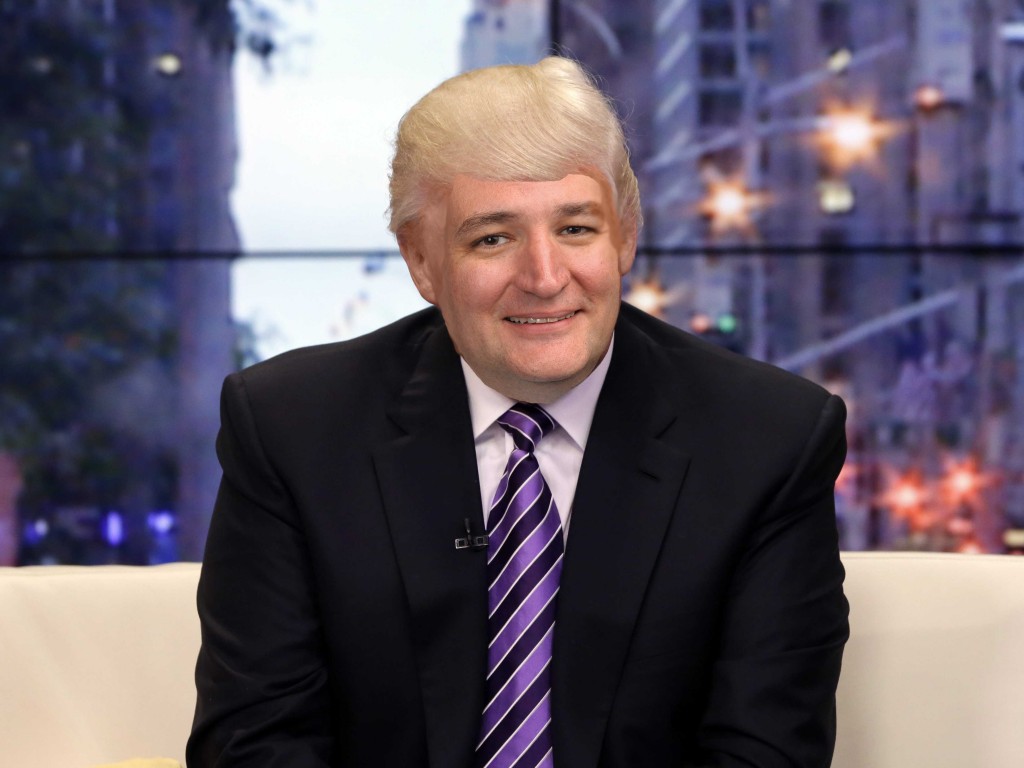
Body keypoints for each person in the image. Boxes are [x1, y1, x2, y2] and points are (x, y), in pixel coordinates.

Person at [187, 57, 849, 768]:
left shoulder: (769, 440)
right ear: (422, 262)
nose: (544, 277)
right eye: (492, 238)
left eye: (576, 229)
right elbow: (254, 741)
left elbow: (766, 751)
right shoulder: (292, 428)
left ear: (625, 237)